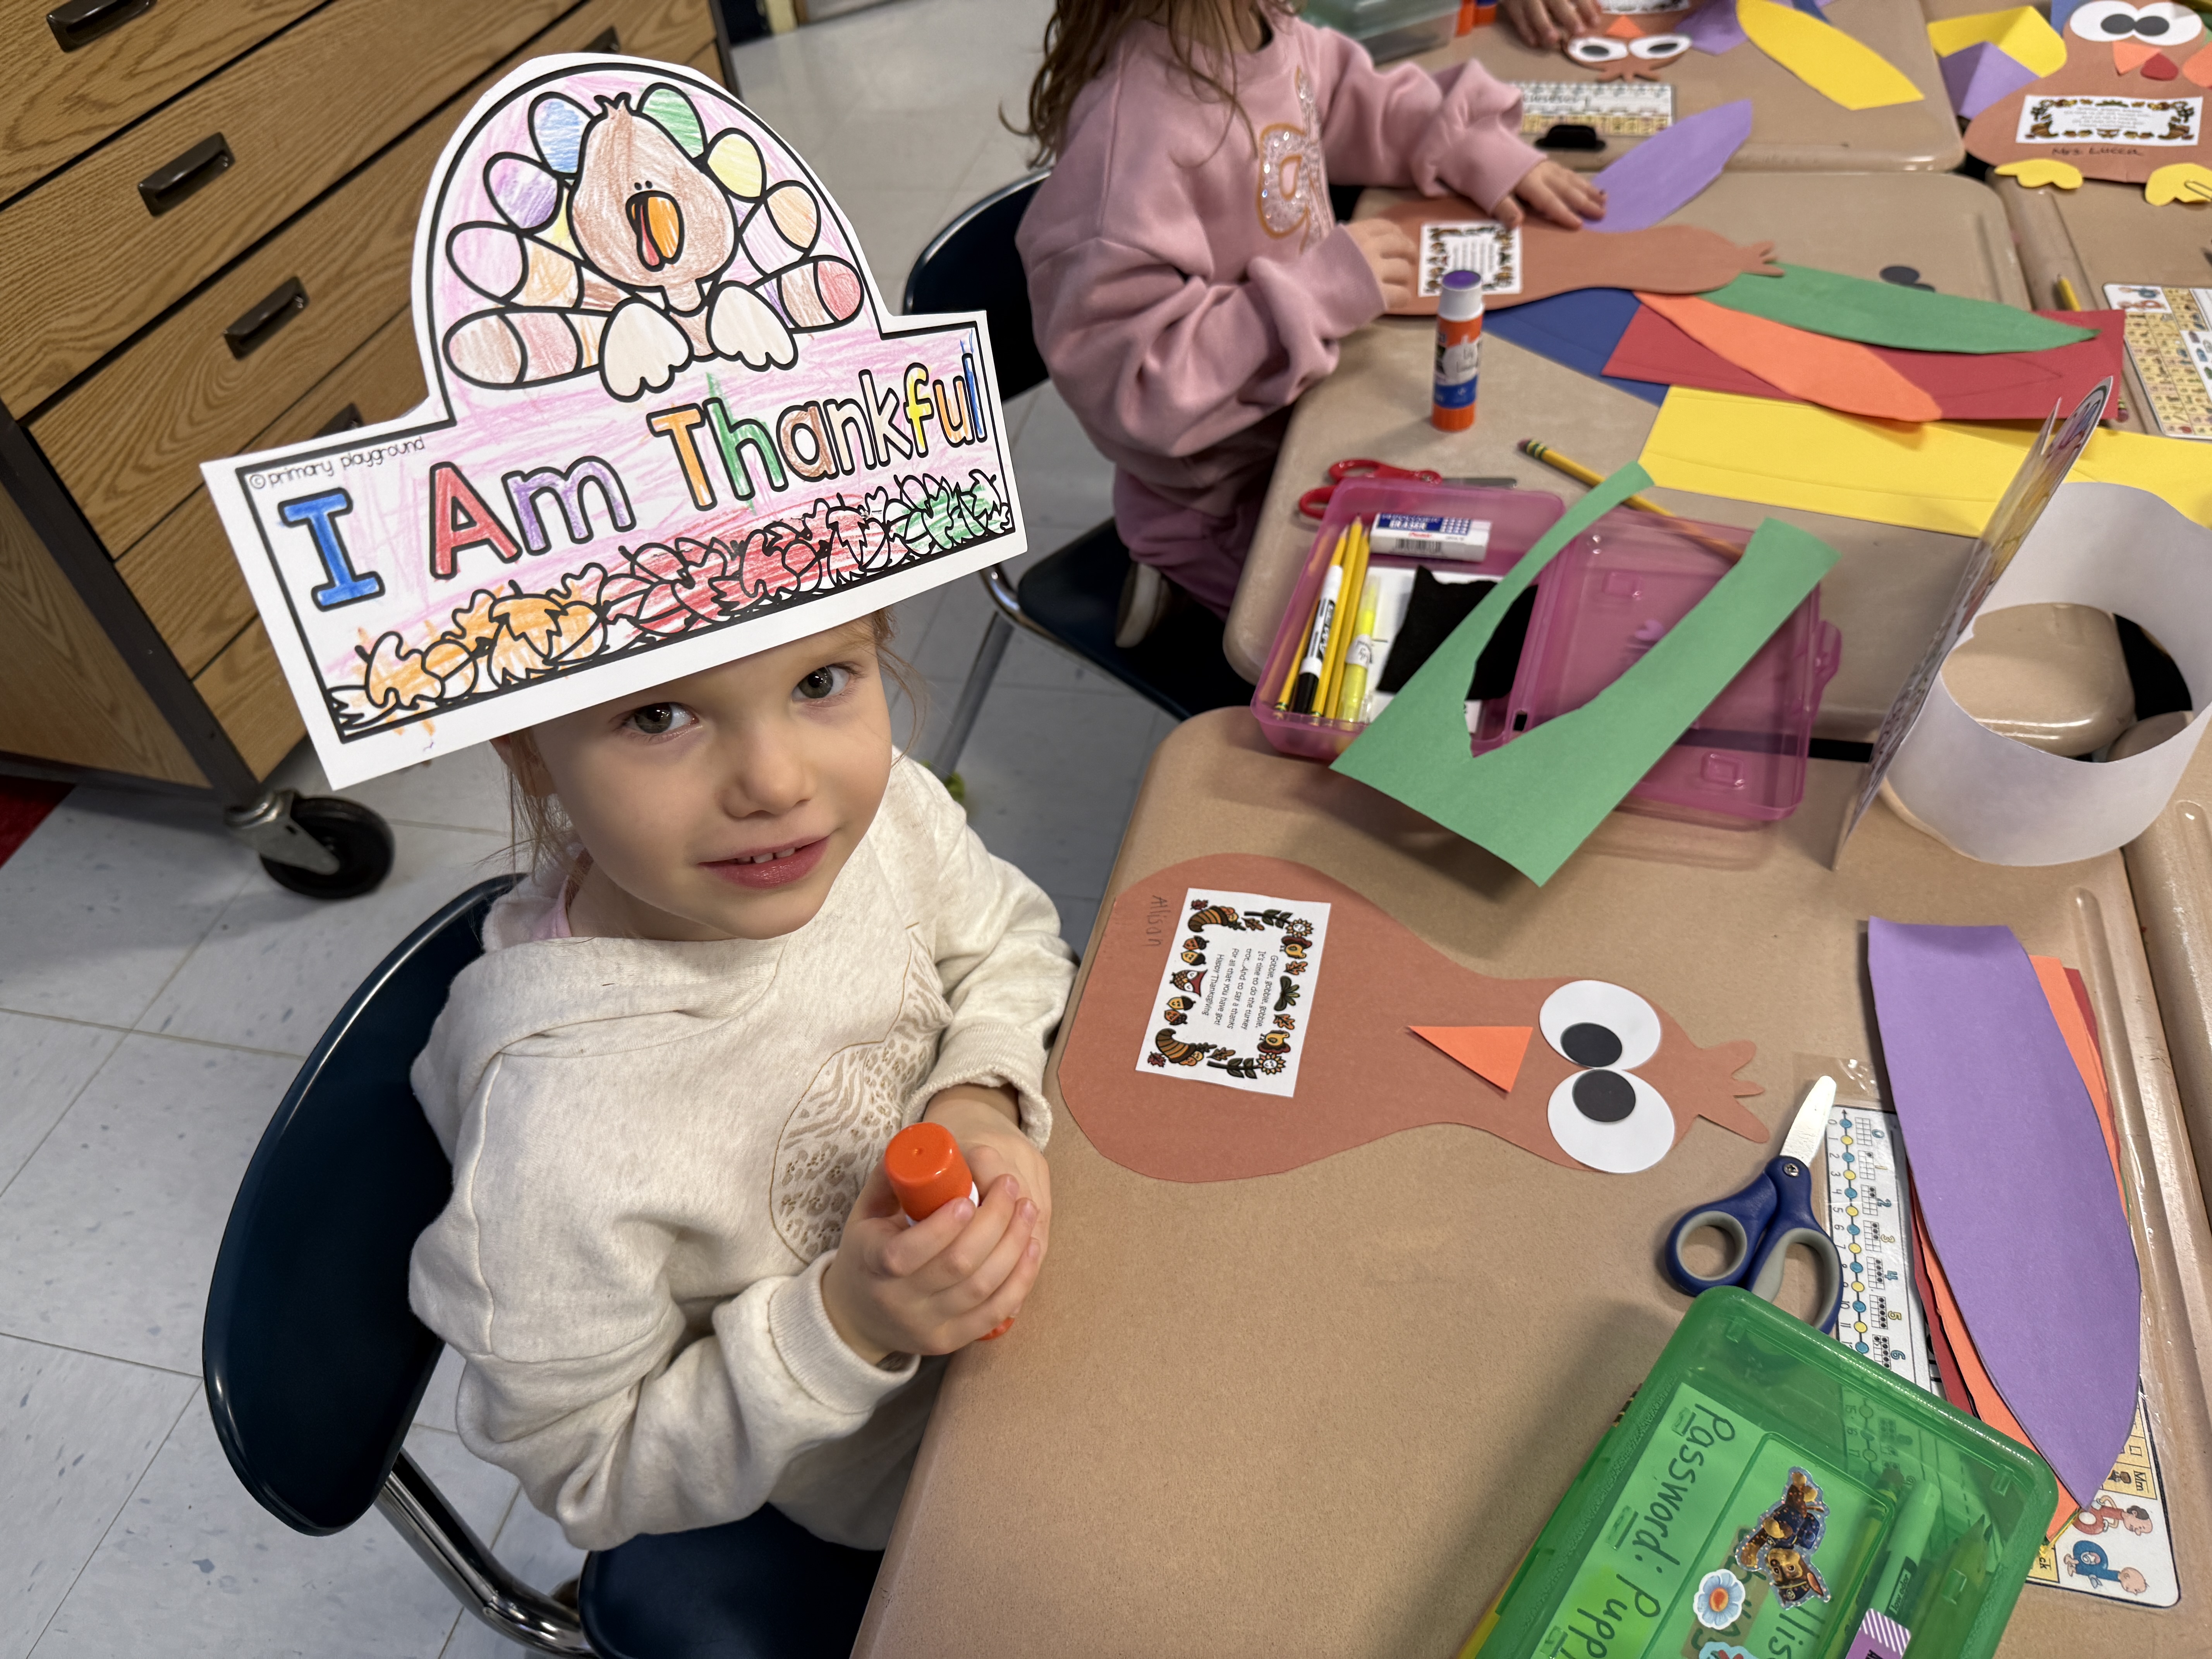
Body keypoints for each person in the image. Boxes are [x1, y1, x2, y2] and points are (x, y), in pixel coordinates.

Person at [407, 611, 1076, 1552]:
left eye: (819, 683)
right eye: (658, 716)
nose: (778, 782)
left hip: (1075, 1281)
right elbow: (591, 1474)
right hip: (918, 1473)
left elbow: (1009, 940)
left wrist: (982, 1094)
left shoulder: (886, 820)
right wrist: (846, 1325)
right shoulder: (550, 1146)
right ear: (529, 751)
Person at [1018, 0, 1604, 644]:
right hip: (1227, 504)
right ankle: (1175, 575)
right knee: (1429, 656)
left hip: (1316, 420)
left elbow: (1350, 102)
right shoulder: (1132, 140)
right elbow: (1133, 382)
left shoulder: (1263, 26)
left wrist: (1469, 143)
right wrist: (1311, 295)